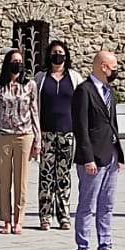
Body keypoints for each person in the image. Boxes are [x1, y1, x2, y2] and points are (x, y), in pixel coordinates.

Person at [71, 50, 125, 250]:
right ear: (103, 66)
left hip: (110, 155)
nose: (116, 71)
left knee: (107, 205)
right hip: (92, 158)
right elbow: (81, 128)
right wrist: (87, 158)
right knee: (87, 205)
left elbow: (112, 123)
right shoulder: (84, 91)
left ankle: (105, 248)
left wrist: (118, 154)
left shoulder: (108, 91)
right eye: (114, 67)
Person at [0, 49, 42, 235]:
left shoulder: (30, 85)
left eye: (19, 61)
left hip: (24, 135)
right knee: (4, 181)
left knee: (21, 180)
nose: (16, 64)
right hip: (2, 135)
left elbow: (35, 112)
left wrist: (38, 140)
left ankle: (19, 219)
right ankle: (6, 220)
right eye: (13, 61)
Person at [35, 40, 78, 231]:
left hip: (67, 133)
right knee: (46, 175)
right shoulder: (41, 78)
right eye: (54, 52)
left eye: (60, 52)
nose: (57, 56)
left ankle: (64, 215)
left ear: (66, 56)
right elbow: (34, 105)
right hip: (46, 133)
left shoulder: (74, 78)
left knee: (64, 175)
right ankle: (45, 215)